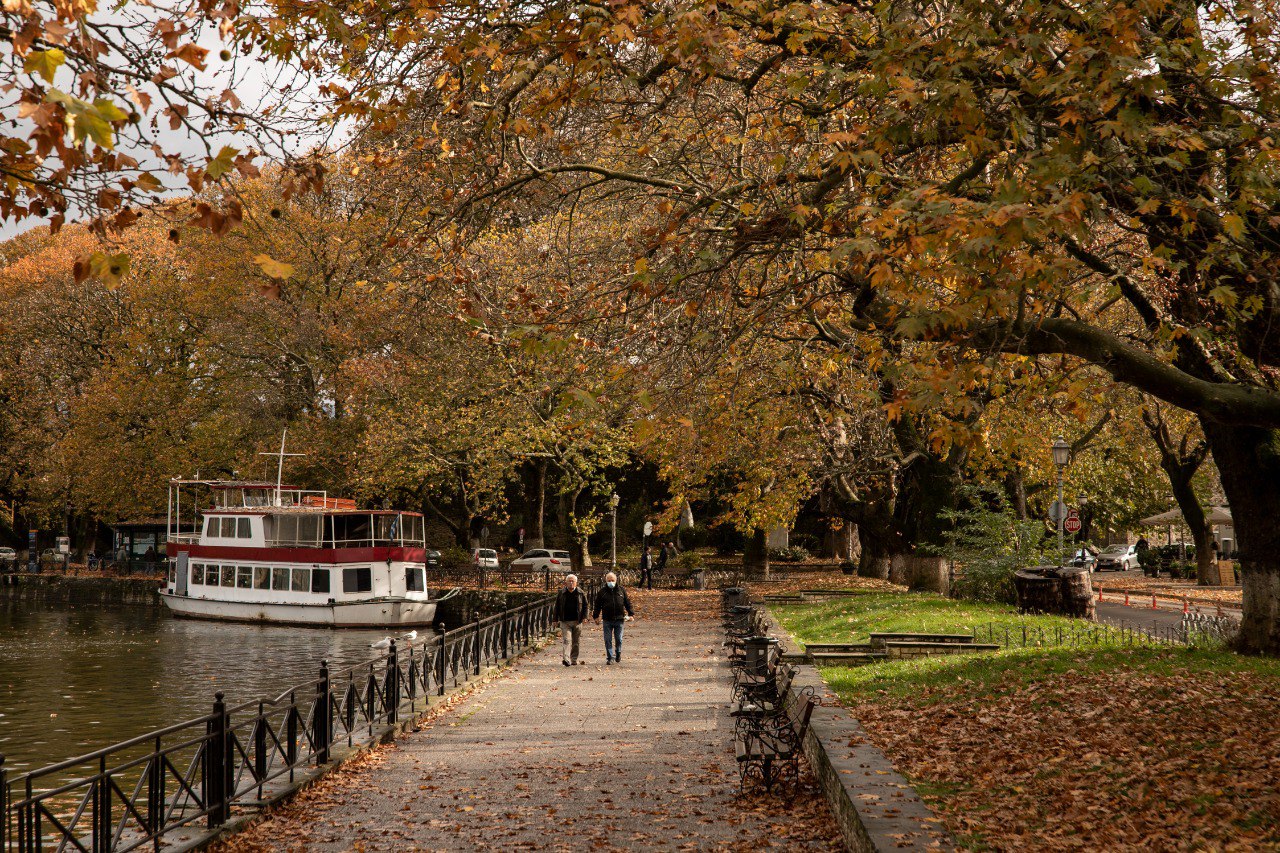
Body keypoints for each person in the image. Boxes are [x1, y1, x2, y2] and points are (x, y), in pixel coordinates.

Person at [592, 572, 634, 664]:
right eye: (609, 580)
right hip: (607, 619)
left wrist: (631, 614)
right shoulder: (602, 592)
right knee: (608, 639)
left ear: (616, 580)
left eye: (612, 580)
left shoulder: (621, 590)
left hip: (619, 619)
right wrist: (596, 616)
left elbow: (627, 603)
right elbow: (597, 605)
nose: (611, 582)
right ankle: (610, 657)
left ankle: (618, 652)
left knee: (619, 639)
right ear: (605, 581)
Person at [554, 574, 589, 666]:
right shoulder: (561, 593)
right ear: (566, 582)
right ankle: (566, 659)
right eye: (569, 581)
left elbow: (586, 606)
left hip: (577, 621)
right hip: (565, 621)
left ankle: (574, 659)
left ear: (576, 583)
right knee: (567, 640)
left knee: (576, 641)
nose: (571, 583)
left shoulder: (581, 593)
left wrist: (585, 617)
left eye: (573, 581)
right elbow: (556, 607)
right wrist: (555, 619)